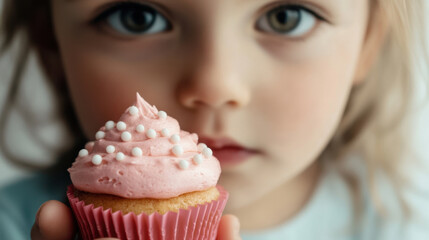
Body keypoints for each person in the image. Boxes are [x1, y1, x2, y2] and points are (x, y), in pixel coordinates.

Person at [0, 0, 428, 239]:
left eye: (286, 17)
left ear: (368, 42)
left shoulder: (407, 226)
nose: (215, 85)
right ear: (51, 44)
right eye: (137, 17)